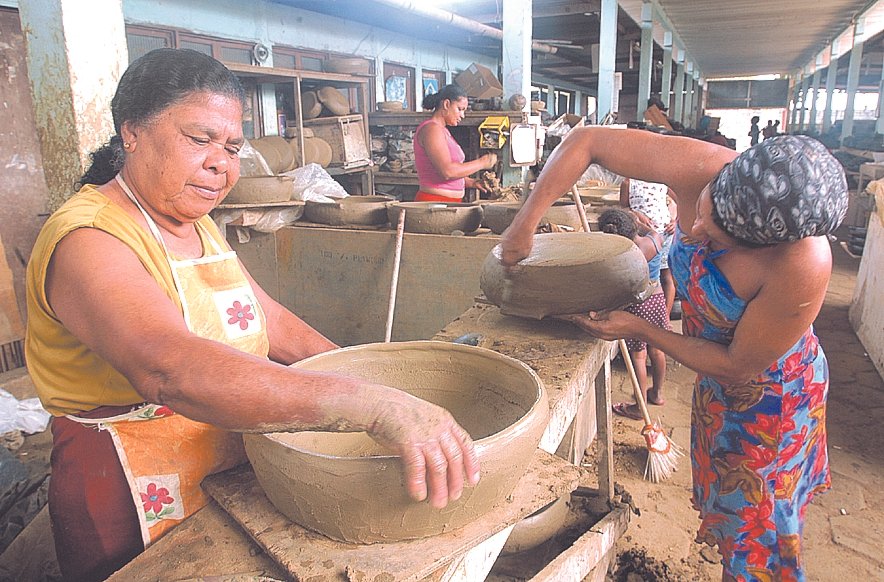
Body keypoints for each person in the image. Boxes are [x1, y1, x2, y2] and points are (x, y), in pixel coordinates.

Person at [25, 48, 480, 581]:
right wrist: (369, 405)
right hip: (129, 486)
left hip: (224, 461)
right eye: (200, 139)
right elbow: (167, 368)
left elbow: (270, 321)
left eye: (232, 147)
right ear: (132, 132)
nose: (220, 163)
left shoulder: (193, 222)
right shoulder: (87, 237)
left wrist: (372, 375)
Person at [498, 129, 846, 582]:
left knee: (756, 533)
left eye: (716, 237)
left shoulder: (803, 263)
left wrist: (641, 329)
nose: (694, 230)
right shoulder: (703, 165)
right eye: (701, 210)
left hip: (769, 401)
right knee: (726, 503)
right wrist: (524, 224)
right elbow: (585, 142)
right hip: (715, 384)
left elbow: (736, 365)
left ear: (767, 246)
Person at [593, 208, 670, 417]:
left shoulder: (624, 257)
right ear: (634, 227)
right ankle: (657, 394)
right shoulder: (654, 241)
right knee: (657, 350)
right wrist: (639, 223)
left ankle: (639, 406)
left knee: (638, 356)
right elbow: (652, 231)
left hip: (637, 305)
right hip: (657, 300)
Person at [414, 84, 497, 202]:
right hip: (433, 202)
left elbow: (447, 176)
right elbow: (447, 171)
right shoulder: (432, 129)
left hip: (447, 202)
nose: (462, 115)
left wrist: (472, 182)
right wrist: (482, 162)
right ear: (446, 104)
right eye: (460, 109)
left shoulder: (442, 130)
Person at [619, 178, 678, 319]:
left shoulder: (662, 181)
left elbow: (680, 201)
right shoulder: (628, 183)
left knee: (666, 276)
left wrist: (675, 221)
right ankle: (642, 314)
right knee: (643, 276)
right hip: (640, 236)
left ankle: (665, 317)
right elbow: (623, 209)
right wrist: (637, 215)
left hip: (665, 234)